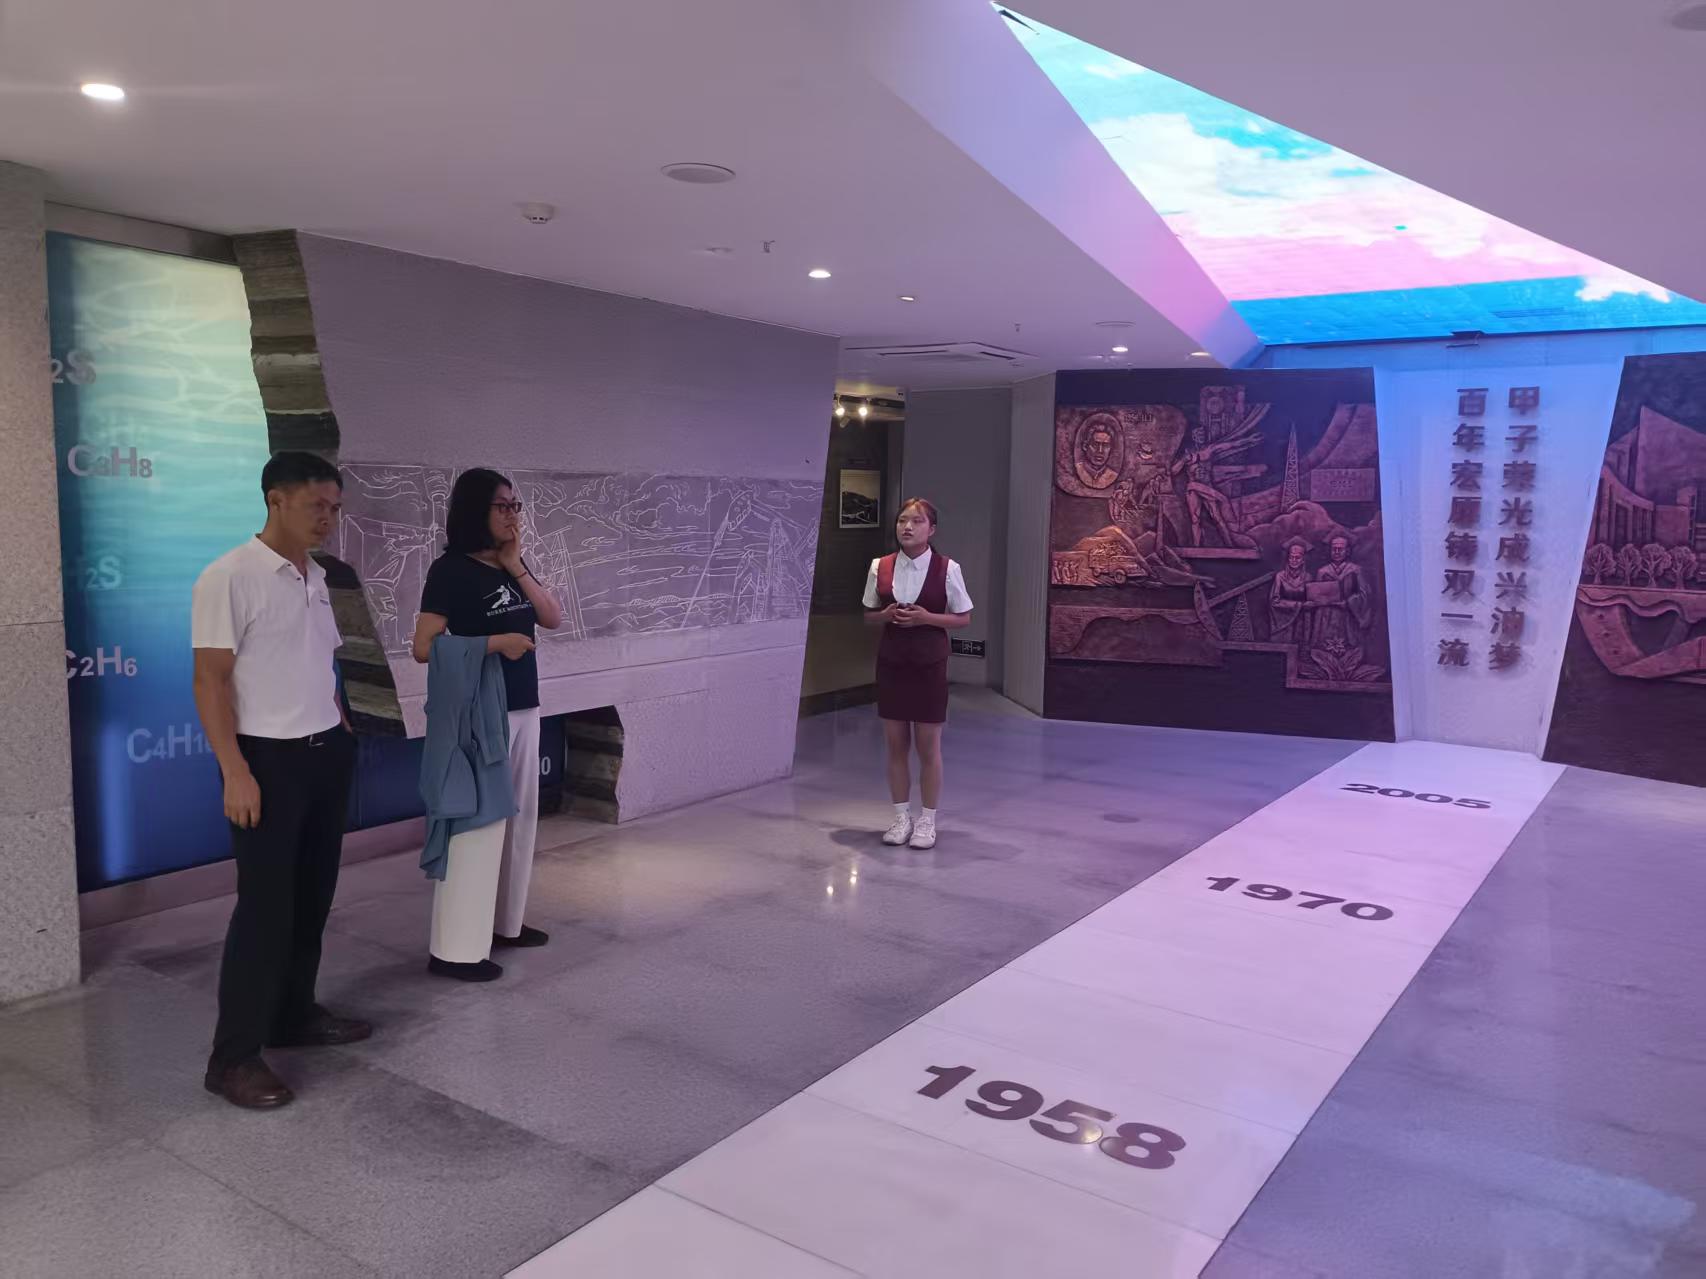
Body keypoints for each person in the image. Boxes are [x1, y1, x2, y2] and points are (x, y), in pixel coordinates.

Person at [192, 452, 370, 1111]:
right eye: (316, 504)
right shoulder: (229, 576)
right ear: (276, 499)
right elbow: (210, 681)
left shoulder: (316, 577)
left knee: (312, 897)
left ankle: (293, 1013)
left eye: (335, 507)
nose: (328, 517)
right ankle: (232, 1058)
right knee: (265, 910)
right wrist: (234, 769)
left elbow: (315, 659)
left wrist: (338, 717)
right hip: (266, 761)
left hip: (325, 753)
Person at [412, 468, 563, 980]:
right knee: (478, 825)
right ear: (476, 510)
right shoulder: (450, 570)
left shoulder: (509, 565)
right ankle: (455, 950)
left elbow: (552, 617)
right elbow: (423, 647)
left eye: (516, 506)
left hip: (524, 707)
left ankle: (506, 923)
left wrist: (515, 564)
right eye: (502, 506)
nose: (512, 515)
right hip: (481, 712)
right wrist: (495, 645)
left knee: (520, 821)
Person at [863, 498, 973, 850]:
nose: (907, 527)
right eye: (902, 521)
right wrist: (885, 615)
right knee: (895, 745)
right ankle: (901, 817)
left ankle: (927, 820)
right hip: (892, 662)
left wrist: (926, 618)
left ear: (932, 529)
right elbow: (868, 615)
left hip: (929, 664)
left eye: (916, 521)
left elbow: (963, 617)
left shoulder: (947, 568)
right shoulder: (880, 566)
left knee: (928, 746)